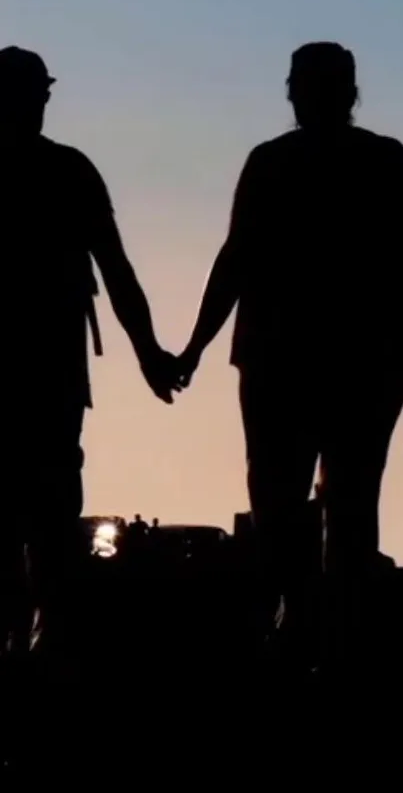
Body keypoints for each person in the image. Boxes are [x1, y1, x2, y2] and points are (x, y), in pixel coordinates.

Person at [177, 42, 403, 652]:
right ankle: (333, 635)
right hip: (362, 365)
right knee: (349, 502)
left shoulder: (273, 163)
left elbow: (235, 262)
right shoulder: (385, 163)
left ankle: (298, 624)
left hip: (288, 362)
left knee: (284, 501)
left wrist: (194, 347)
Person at [0, 46, 181, 643]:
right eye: (34, 96)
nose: (39, 107)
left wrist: (150, 352)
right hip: (50, 377)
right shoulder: (71, 172)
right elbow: (117, 271)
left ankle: (43, 636)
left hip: (51, 380)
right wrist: (150, 354)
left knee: (49, 518)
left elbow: (117, 271)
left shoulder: (72, 172)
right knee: (48, 515)